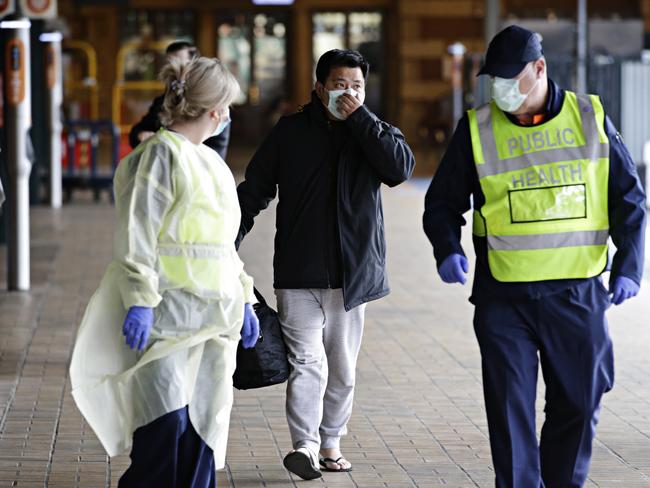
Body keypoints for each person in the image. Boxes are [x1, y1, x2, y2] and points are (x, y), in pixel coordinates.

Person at [423, 25, 646, 487]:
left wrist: (629, 266)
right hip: (504, 298)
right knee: (510, 413)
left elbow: (630, 199)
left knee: (581, 402)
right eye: (495, 79)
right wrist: (446, 247)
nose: (501, 88)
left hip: (577, 293)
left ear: (539, 68)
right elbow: (442, 202)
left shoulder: (590, 117)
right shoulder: (477, 128)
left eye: (510, 77)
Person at [70, 56, 260, 488]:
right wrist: (140, 300)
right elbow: (137, 234)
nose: (228, 115)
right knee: (164, 424)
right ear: (214, 111)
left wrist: (244, 297)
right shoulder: (159, 156)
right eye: (227, 106)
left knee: (204, 429)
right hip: (166, 315)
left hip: (214, 318)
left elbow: (221, 243)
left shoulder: (211, 163)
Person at [236, 49, 415, 480]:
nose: (348, 93)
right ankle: (306, 446)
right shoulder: (291, 132)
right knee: (307, 364)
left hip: (353, 277)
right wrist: (227, 237)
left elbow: (400, 170)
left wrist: (361, 120)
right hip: (299, 273)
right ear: (319, 88)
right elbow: (256, 188)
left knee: (343, 368)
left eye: (356, 86)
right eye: (339, 85)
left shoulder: (373, 132)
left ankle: (331, 440)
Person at [128, 41, 231, 160]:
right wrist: (141, 135)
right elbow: (137, 131)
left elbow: (218, 151)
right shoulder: (162, 102)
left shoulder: (212, 105)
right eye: (169, 64)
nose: (176, 69)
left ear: (195, 66)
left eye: (181, 63)